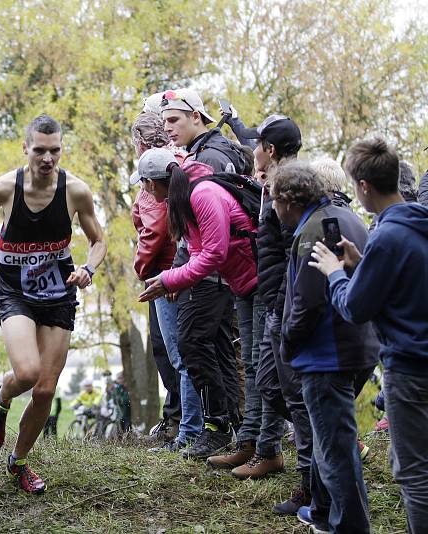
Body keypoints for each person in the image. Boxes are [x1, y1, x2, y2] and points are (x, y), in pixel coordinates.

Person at [0, 114, 106, 494]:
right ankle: (0, 399)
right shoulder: (6, 188)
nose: (47, 158)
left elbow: (98, 240)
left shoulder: (76, 192)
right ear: (26, 149)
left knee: (46, 391)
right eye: (39, 150)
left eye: (54, 151)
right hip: (16, 292)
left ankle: (18, 461)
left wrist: (87, 268)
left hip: (58, 294)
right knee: (27, 372)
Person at [309, 139, 428, 534]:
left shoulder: (386, 235)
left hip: (410, 371)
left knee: (413, 473)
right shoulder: (417, 224)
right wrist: (363, 266)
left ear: (362, 186)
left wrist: (335, 273)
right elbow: (405, 286)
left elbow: (355, 308)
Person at [272, 162, 378, 533]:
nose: (272, 209)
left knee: (336, 446)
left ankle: (348, 525)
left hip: (327, 354)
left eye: (273, 200)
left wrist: (286, 343)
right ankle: (320, 511)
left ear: (288, 199)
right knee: (326, 435)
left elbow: (307, 303)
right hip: (359, 345)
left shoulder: (314, 231)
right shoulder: (344, 217)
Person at [138, 144, 257, 460]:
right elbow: (195, 247)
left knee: (193, 345)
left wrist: (170, 279)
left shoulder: (201, 194)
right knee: (215, 349)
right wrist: (175, 274)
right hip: (227, 281)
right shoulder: (184, 194)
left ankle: (218, 427)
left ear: (150, 184)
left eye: (143, 185)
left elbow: (215, 253)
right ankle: (232, 429)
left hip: (231, 280)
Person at [210, 116, 302, 488]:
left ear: (271, 151)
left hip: (271, 291)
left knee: (268, 372)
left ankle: (269, 449)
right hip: (253, 284)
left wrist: (277, 295)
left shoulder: (289, 185)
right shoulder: (268, 183)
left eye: (258, 144)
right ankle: (248, 440)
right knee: (251, 362)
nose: (253, 150)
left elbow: (289, 246)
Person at [129, 111, 200, 450]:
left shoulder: (154, 176)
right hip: (185, 268)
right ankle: (193, 426)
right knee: (188, 353)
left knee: (179, 355)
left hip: (167, 273)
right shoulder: (183, 162)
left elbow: (156, 227)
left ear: (141, 144)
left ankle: (190, 431)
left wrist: (142, 269)